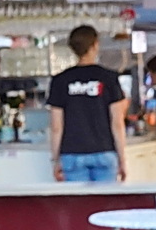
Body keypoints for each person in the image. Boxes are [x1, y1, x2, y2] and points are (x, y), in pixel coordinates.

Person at [46, 24, 127, 182]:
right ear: (95, 45)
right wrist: (122, 159)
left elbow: (56, 127)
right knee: (105, 203)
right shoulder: (109, 78)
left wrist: (56, 160)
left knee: (79, 205)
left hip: (72, 153)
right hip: (105, 150)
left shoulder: (60, 81)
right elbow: (117, 123)